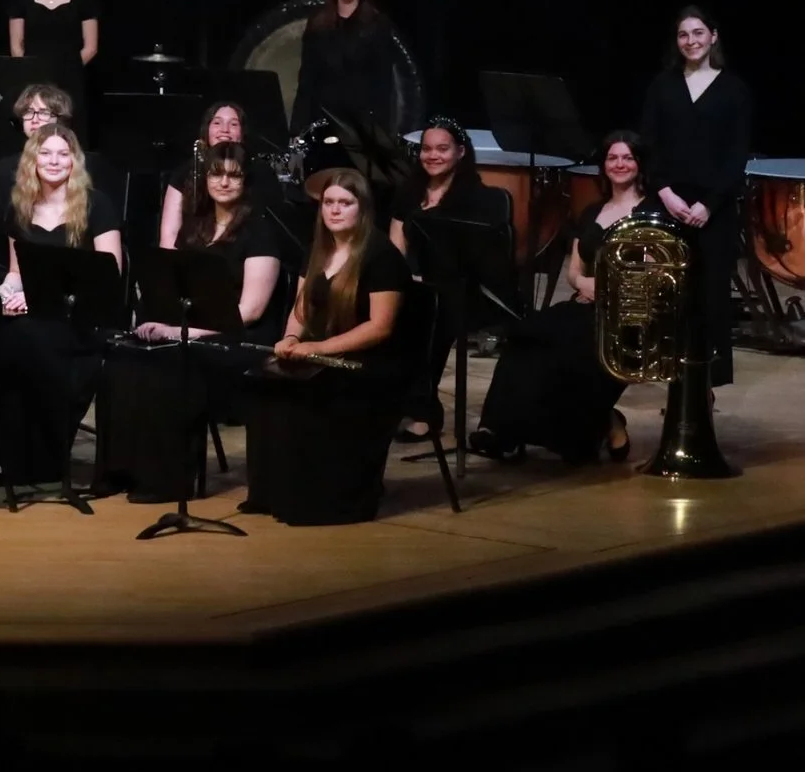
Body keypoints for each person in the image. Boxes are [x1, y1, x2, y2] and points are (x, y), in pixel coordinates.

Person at [98, 142, 285, 502]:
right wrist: (156, 323)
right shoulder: (194, 229)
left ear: (245, 182)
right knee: (124, 360)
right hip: (192, 331)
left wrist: (183, 333)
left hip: (239, 337)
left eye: (234, 175)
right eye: (217, 174)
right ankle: (123, 472)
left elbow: (250, 311)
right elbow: (173, 291)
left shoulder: (260, 231)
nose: (225, 182)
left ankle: (166, 480)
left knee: (171, 364)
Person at [0, 122, 123, 489]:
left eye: (63, 154)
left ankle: (19, 457)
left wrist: (36, 300)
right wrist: (9, 295)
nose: (54, 160)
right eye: (45, 153)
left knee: (17, 342)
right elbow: (16, 273)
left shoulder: (98, 205)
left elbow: (107, 278)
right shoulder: (21, 207)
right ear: (32, 160)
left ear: (74, 161)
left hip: (82, 320)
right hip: (34, 318)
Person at [471, 132, 654, 462]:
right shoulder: (593, 211)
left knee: (568, 351)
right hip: (584, 305)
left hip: (626, 316)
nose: (620, 164)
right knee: (526, 336)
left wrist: (606, 289)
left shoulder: (652, 212)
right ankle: (499, 430)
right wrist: (583, 284)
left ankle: (596, 425)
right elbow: (574, 270)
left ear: (640, 164)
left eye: (628, 157)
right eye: (613, 158)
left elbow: (653, 273)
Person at [240, 167, 408, 525]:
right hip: (323, 353)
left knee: (310, 396)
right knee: (265, 385)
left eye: (344, 203)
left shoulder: (381, 256)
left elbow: (380, 327)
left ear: (362, 208)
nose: (334, 210)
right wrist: (290, 339)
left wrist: (320, 348)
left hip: (369, 364)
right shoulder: (318, 250)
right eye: (328, 202)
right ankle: (273, 491)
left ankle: (319, 499)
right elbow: (301, 310)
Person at [638, 5, 753, 389]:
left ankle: (706, 389)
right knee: (669, 294)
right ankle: (670, 378)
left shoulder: (734, 89)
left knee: (711, 297)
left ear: (713, 37)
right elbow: (649, 145)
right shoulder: (662, 85)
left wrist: (710, 205)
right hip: (669, 201)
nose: (691, 41)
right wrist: (666, 193)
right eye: (684, 35)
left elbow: (736, 155)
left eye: (698, 33)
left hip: (712, 209)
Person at [387, 119, 517, 442]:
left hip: (463, 288)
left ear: (460, 152)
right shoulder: (409, 192)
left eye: (442, 149)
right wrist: (402, 278)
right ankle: (387, 403)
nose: (432, 156)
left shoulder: (479, 197)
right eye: (426, 149)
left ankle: (423, 411)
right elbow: (394, 246)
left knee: (428, 313)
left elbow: (479, 259)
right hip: (416, 284)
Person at [4, 0, 100, 136]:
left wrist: (65, 72)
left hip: (71, 85)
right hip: (31, 86)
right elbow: (16, 45)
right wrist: (34, 77)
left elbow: (91, 46)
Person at [290, 0, 397, 131]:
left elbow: (383, 87)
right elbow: (306, 83)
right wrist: (296, 131)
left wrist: (378, 135)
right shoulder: (317, 24)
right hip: (321, 125)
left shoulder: (378, 25)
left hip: (361, 129)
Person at [155, 100, 275, 248]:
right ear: (206, 130)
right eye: (217, 123)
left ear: (242, 132)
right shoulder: (186, 171)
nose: (225, 129)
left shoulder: (259, 171)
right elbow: (169, 234)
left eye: (233, 124)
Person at [0, 83, 75, 226]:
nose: (34, 118)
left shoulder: (73, 163)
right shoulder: (4, 167)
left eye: (44, 112)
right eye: (28, 111)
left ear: (59, 119)